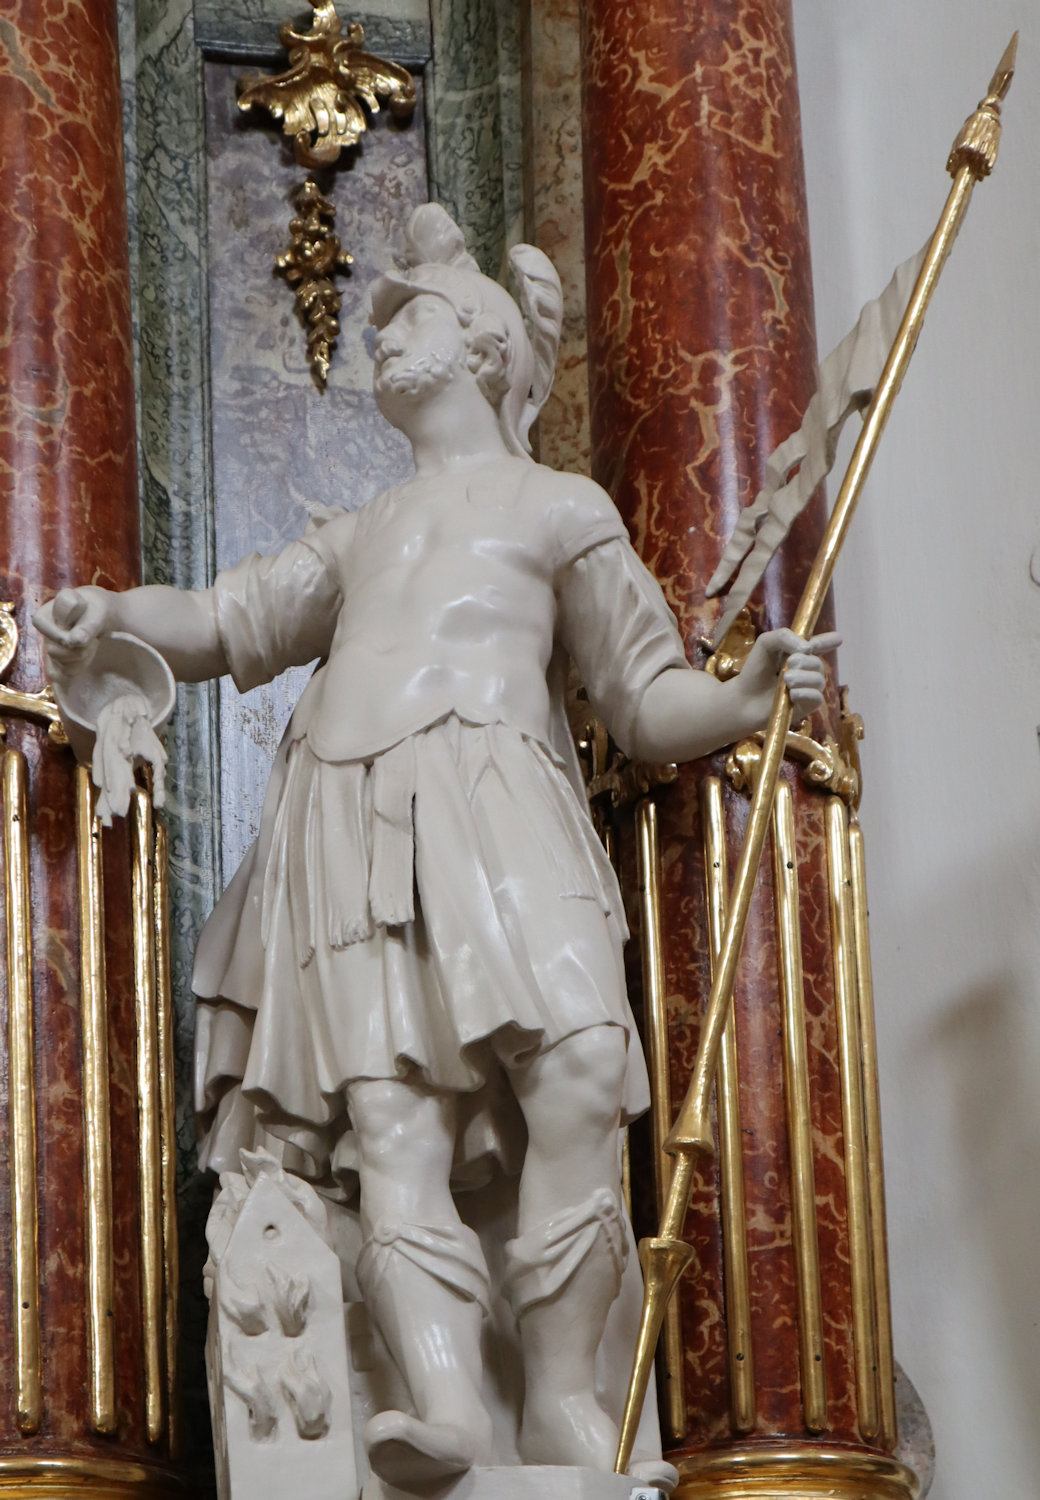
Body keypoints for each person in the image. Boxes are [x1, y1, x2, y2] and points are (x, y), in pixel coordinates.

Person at [37, 204, 835, 1488]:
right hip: (348, 808)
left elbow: (639, 694)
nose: (377, 339)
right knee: (393, 1124)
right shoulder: (358, 534)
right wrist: (113, 608)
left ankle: (564, 1398)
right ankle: (444, 1402)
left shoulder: (558, 507)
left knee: (581, 1063)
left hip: (505, 796)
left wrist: (743, 701)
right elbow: (229, 617)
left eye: (401, 318)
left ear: (474, 340)